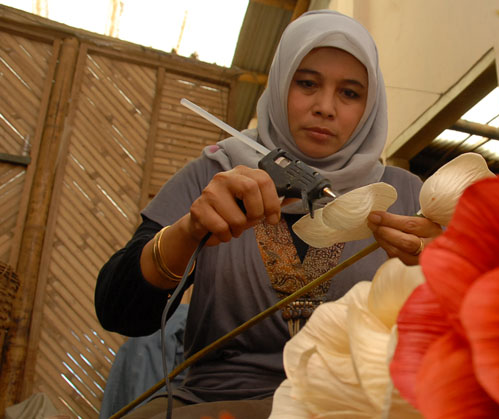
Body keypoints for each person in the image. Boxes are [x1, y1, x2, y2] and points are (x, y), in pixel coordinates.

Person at [95, 10, 441, 418]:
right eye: (307, 83)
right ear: (279, 84)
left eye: (349, 93)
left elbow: (461, 329)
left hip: (363, 403)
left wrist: (441, 276)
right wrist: (188, 230)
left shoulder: (405, 193)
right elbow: (119, 311)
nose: (325, 107)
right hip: (215, 405)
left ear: (370, 105)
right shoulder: (213, 175)